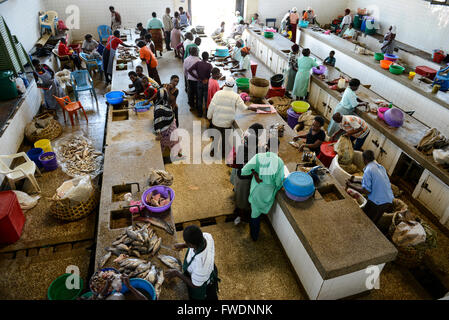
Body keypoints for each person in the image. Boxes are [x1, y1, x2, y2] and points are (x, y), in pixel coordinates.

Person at [240, 138, 285, 241]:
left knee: (254, 214)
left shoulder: (258, 157)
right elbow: (279, 182)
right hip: (268, 193)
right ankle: (256, 231)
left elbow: (244, 170)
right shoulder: (279, 162)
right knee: (259, 212)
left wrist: (255, 173)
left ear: (267, 146)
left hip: (257, 190)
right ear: (277, 148)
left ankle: (254, 236)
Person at [165, 225, 219, 300]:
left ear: (191, 244)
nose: (185, 243)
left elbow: (195, 285)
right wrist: (183, 245)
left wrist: (177, 273)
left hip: (199, 282)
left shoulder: (201, 265)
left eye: (186, 242)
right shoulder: (207, 236)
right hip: (203, 271)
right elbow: (195, 241)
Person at [207, 77, 257, 158]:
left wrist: (209, 116)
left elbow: (211, 106)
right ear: (233, 86)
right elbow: (243, 107)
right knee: (225, 139)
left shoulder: (217, 94)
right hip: (227, 123)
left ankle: (213, 151)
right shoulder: (236, 96)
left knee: (216, 137)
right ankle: (223, 154)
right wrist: (252, 108)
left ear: (225, 84)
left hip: (216, 121)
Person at [346, 150, 394, 225]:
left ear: (364, 159)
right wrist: (355, 182)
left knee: (366, 219)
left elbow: (366, 191)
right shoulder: (379, 167)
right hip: (387, 199)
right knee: (374, 220)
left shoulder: (368, 169)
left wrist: (350, 185)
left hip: (377, 201)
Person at [233, 123, 265, 224]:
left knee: (241, 196)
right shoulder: (249, 152)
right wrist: (256, 175)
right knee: (243, 198)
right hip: (244, 179)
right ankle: (241, 215)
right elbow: (247, 167)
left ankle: (240, 211)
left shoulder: (245, 149)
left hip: (241, 176)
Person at [153, 87, 183, 158]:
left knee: (164, 144)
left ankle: (166, 157)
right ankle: (177, 152)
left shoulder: (158, 108)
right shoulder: (167, 104)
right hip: (173, 128)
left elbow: (157, 122)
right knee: (174, 142)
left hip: (166, 131)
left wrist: (159, 133)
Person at [189, 51, 213, 117]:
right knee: (206, 99)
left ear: (202, 57)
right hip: (206, 83)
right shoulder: (209, 65)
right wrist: (207, 79)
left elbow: (189, 70)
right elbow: (212, 74)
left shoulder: (198, 63)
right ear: (207, 57)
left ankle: (200, 113)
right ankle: (206, 114)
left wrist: (197, 77)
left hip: (199, 82)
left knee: (199, 98)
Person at [184, 46, 201, 110]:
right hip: (197, 79)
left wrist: (186, 77)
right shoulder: (198, 60)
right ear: (196, 52)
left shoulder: (186, 59)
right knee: (197, 93)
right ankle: (197, 106)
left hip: (190, 79)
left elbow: (185, 71)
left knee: (190, 92)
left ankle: (191, 106)